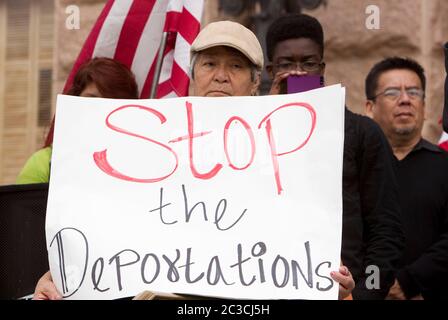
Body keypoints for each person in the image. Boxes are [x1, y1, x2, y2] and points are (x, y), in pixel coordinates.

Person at [33, 20, 354, 300]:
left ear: (256, 81)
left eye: (236, 66)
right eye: (210, 64)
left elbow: (303, 229)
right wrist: (62, 277)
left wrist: (329, 283)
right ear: (192, 75)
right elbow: (105, 225)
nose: (221, 76)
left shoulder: (289, 146)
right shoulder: (149, 140)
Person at [265, 14, 404, 299]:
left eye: (308, 63)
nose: (299, 72)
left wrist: (362, 295)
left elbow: (385, 230)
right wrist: (266, 117)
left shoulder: (362, 133)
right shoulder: (253, 137)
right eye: (287, 64)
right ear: (270, 70)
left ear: (323, 67)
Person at [365, 57, 448, 300]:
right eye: (392, 92)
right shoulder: (356, 170)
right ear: (370, 108)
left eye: (414, 92)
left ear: (424, 106)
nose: (405, 99)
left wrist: (408, 281)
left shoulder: (444, 166)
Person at [16, 57, 139, 184]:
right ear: (73, 102)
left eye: (111, 103)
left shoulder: (144, 165)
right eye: (92, 101)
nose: (101, 110)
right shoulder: (43, 163)